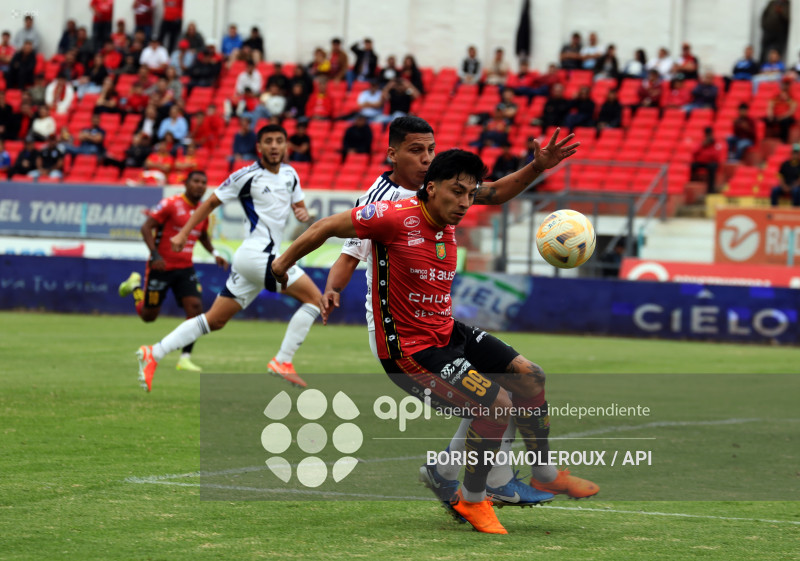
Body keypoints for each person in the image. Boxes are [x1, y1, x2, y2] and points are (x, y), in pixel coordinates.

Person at [272, 135, 595, 534]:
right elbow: (325, 227)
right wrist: (282, 264)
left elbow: (496, 192)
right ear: (431, 188)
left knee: (530, 375)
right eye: (457, 192)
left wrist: (538, 167)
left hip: (446, 331)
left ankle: (544, 473)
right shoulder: (392, 215)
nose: (465, 202)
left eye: (469, 194)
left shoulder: (452, 206)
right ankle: (474, 501)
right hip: (409, 351)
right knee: (496, 405)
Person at [135, 125, 322, 392]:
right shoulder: (246, 176)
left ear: (285, 146)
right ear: (259, 147)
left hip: (252, 260)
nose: (273, 146)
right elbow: (209, 203)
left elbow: (300, 207)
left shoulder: (291, 175)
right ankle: (283, 360)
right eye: (268, 141)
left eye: (279, 141)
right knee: (315, 300)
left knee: (215, 320)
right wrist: (183, 234)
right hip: (260, 256)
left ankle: (154, 352)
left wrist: (303, 214)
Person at [119, 171, 228, 372]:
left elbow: (202, 235)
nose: (200, 185)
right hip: (161, 267)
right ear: (186, 184)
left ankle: (185, 358)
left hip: (185, 268)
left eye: (204, 182)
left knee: (195, 310)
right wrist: (155, 255)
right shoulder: (170, 204)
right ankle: (135, 287)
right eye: (195, 181)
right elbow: (146, 228)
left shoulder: (204, 211)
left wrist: (214, 253)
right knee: (148, 316)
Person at [763, 78, 797, 143]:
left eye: (787, 84)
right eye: (784, 84)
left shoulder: (791, 96)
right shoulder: (777, 95)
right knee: (765, 120)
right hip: (777, 116)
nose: (785, 86)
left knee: (785, 122)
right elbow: (770, 105)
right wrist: (770, 115)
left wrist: (782, 117)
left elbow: (792, 110)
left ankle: (784, 141)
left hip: (787, 117)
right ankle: (768, 138)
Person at [690, 127, 722, 195]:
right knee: (692, 165)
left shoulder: (716, 143)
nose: (708, 135)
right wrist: (702, 145)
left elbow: (716, 156)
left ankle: (711, 189)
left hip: (711, 163)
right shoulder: (702, 143)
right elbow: (694, 152)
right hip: (701, 162)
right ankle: (693, 185)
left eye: (709, 134)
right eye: (707, 134)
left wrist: (709, 146)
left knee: (712, 167)